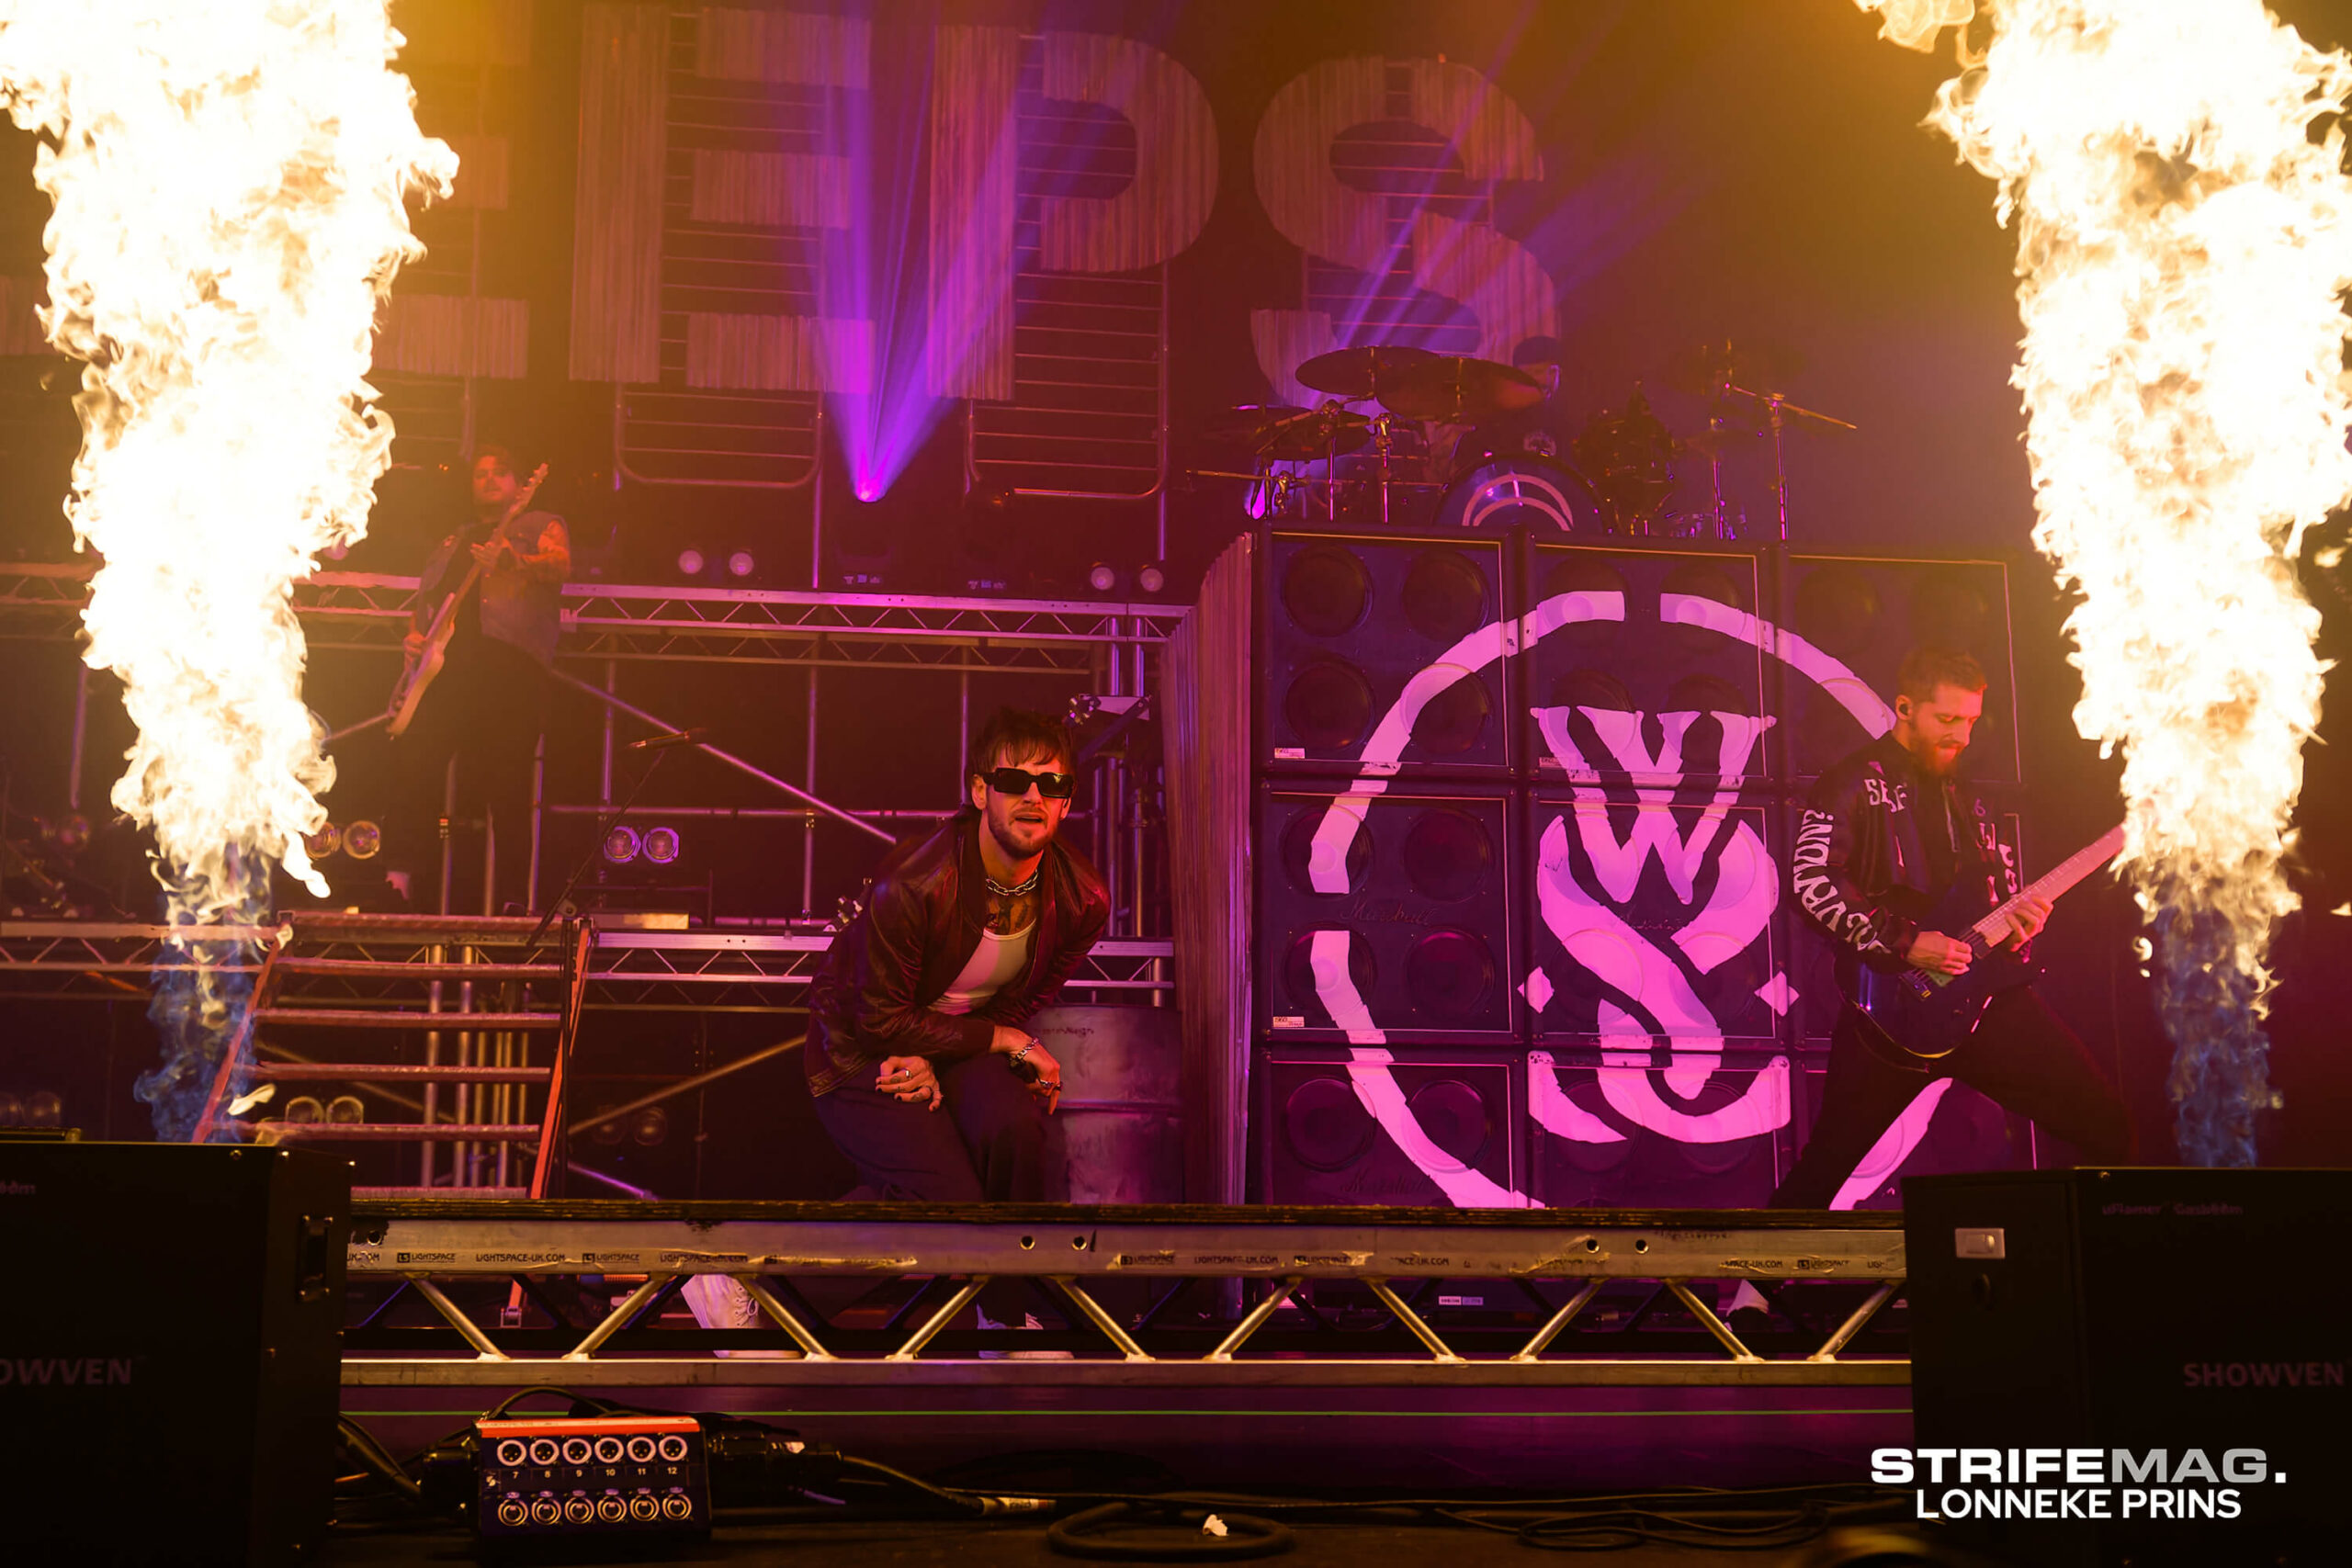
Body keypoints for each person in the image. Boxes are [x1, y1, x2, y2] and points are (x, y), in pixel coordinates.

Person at [1770, 647, 2132, 1209]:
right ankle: (1756, 1271)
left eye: (1970, 721)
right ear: (1904, 708)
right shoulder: (1851, 783)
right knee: (1823, 1170)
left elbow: (1996, 896)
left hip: (1985, 1002)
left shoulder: (1971, 797)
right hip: (1890, 1010)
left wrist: (2022, 928)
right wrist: (1908, 943)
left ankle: (2089, 1255)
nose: (1961, 736)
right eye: (1946, 719)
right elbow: (1810, 881)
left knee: (2108, 1126)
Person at [806, 706, 1111, 1202]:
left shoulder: (1083, 900)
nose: (1034, 797)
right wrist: (1006, 1041)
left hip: (959, 1042)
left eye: (1051, 784)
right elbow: (877, 1020)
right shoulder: (913, 884)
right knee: (948, 1202)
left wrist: (948, 1048)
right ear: (980, 791)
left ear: (1066, 802)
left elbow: (1022, 1001)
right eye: (1014, 780)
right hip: (859, 1048)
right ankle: (791, 1254)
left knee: (1020, 1140)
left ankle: (1014, 1258)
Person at [381, 445, 569, 912]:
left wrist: (512, 561)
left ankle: (512, 898)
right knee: (414, 764)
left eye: (500, 472)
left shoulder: (538, 523)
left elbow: (561, 566)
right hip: (449, 671)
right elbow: (426, 603)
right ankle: (399, 880)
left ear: (520, 484)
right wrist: (414, 639)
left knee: (506, 782)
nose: (488, 479)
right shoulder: (453, 541)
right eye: (481, 473)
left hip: (509, 668)